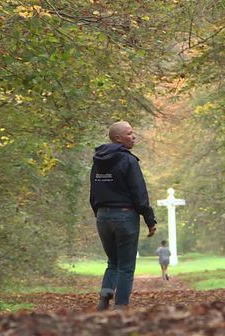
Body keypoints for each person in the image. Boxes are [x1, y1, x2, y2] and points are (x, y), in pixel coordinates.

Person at [89, 120, 157, 311]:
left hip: (103, 217)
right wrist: (149, 220)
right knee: (126, 265)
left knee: (113, 262)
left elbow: (93, 193)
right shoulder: (128, 160)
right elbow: (139, 193)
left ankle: (105, 295)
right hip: (125, 217)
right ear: (118, 138)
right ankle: (121, 306)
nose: (133, 136)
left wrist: (100, 214)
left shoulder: (97, 161)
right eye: (129, 133)